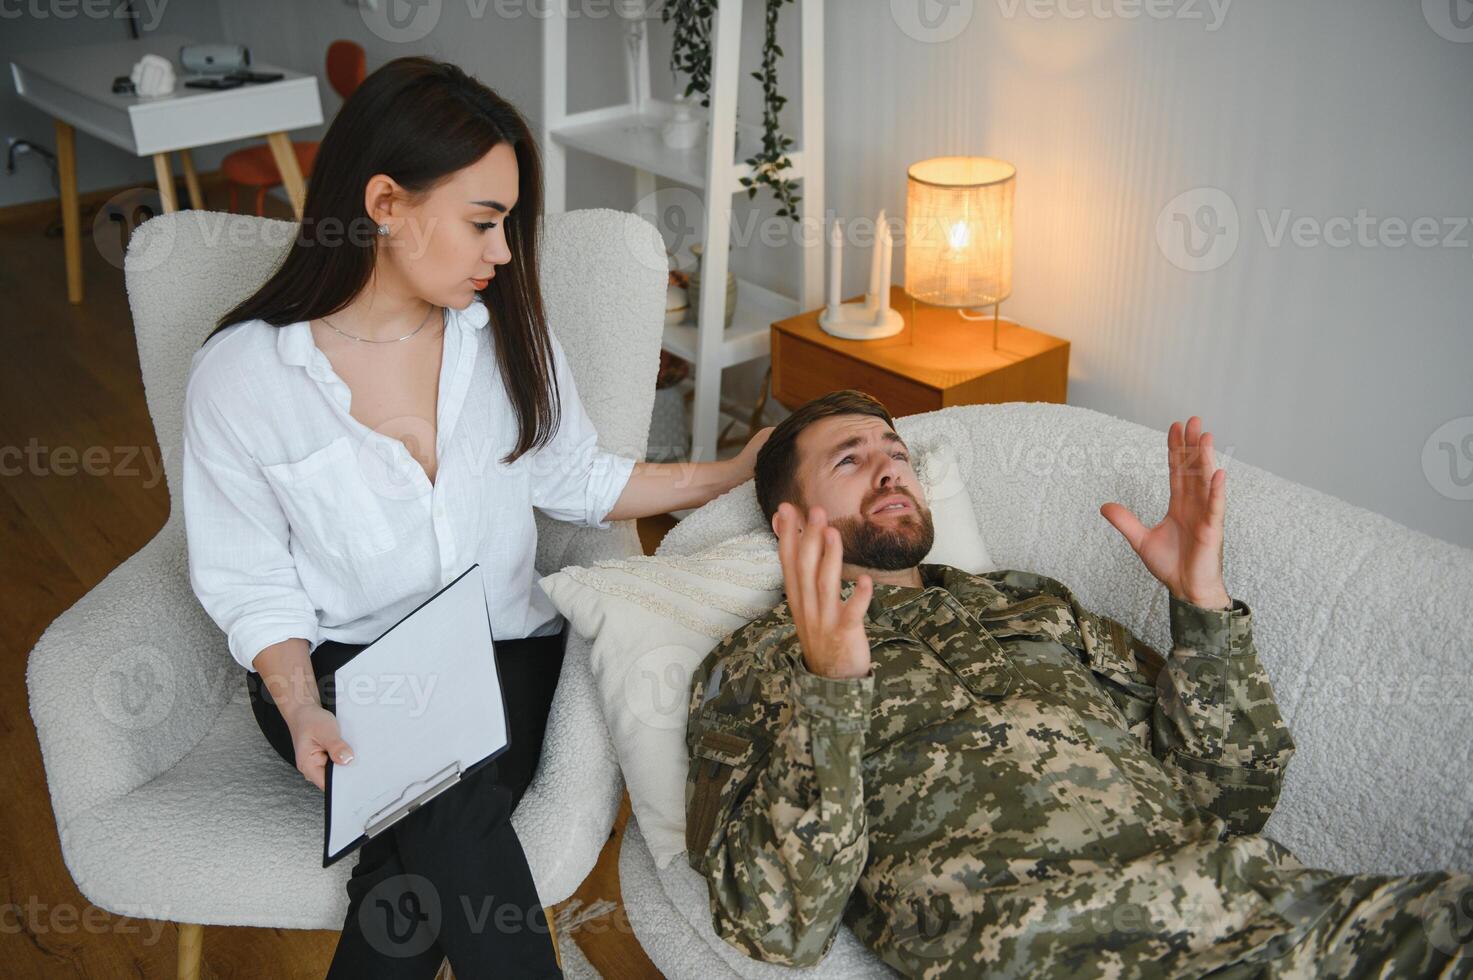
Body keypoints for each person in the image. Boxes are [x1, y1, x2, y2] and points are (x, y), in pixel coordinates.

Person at [181, 56, 771, 979]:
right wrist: (299, 710)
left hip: (501, 655)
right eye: (484, 224)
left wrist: (725, 472)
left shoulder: (503, 334)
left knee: (428, 817)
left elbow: (577, 476)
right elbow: (250, 580)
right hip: (337, 665)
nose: (502, 254)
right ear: (384, 202)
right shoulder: (244, 375)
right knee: (448, 810)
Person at [684, 389, 1473, 979]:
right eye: (850, 459)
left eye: (897, 452)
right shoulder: (755, 661)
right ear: (789, 522)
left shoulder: (1030, 600)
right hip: (1066, 951)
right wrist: (831, 692)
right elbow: (779, 923)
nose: (891, 467)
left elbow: (1229, 799)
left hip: (1264, 910)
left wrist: (1201, 607)